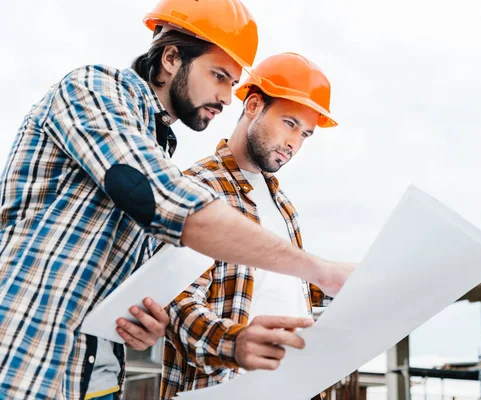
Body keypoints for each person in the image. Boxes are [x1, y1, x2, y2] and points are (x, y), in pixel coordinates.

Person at [0, 1, 353, 399]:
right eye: (218, 76)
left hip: (92, 377)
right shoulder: (93, 88)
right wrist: (318, 269)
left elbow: (141, 290)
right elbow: (165, 200)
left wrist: (146, 321)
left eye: (232, 81)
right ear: (170, 57)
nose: (225, 97)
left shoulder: (160, 151)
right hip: (25, 361)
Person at [160, 52, 341, 400]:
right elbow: (177, 305)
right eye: (290, 123)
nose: (294, 144)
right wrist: (235, 344)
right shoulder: (198, 186)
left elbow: (289, 295)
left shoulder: (284, 206)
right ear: (254, 105)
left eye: (305, 134)